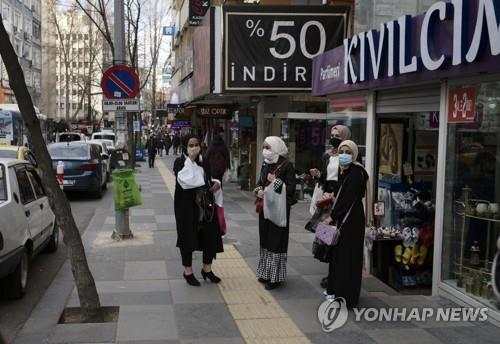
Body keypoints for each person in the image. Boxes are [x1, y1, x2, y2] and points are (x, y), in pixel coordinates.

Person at [322, 140, 368, 307]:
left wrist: (332, 216)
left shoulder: (356, 172)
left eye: (348, 152)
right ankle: (335, 291)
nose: (344, 155)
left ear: (355, 154)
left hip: (351, 221)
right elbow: (342, 194)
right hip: (345, 218)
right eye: (341, 151)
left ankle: (345, 297)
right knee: (338, 257)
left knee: (347, 258)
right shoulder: (346, 171)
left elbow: (348, 199)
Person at [174, 134, 224, 286]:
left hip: (205, 205)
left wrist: (216, 183)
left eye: (196, 144)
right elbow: (186, 181)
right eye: (190, 145)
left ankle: (207, 269)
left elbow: (210, 178)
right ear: (184, 147)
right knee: (187, 237)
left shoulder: (204, 160)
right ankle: (188, 271)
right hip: (186, 207)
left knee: (210, 234)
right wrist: (191, 161)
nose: (194, 148)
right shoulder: (180, 162)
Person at [309, 125, 351, 288]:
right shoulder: (327, 155)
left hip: (339, 201)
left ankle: (335, 274)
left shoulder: (350, 156)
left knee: (338, 239)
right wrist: (318, 175)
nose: (334, 138)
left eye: (338, 136)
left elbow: (347, 180)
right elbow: (326, 178)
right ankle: (330, 273)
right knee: (326, 241)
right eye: (332, 135)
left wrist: (335, 195)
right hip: (326, 202)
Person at [254, 136, 297, 290]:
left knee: (276, 241)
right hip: (265, 208)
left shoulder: (287, 165)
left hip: (280, 210)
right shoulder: (266, 163)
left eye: (268, 147)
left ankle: (275, 278)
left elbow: (292, 188)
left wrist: (276, 182)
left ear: (276, 148)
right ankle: (265, 273)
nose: (265, 150)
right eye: (264, 147)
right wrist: (258, 190)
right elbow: (260, 182)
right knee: (265, 240)